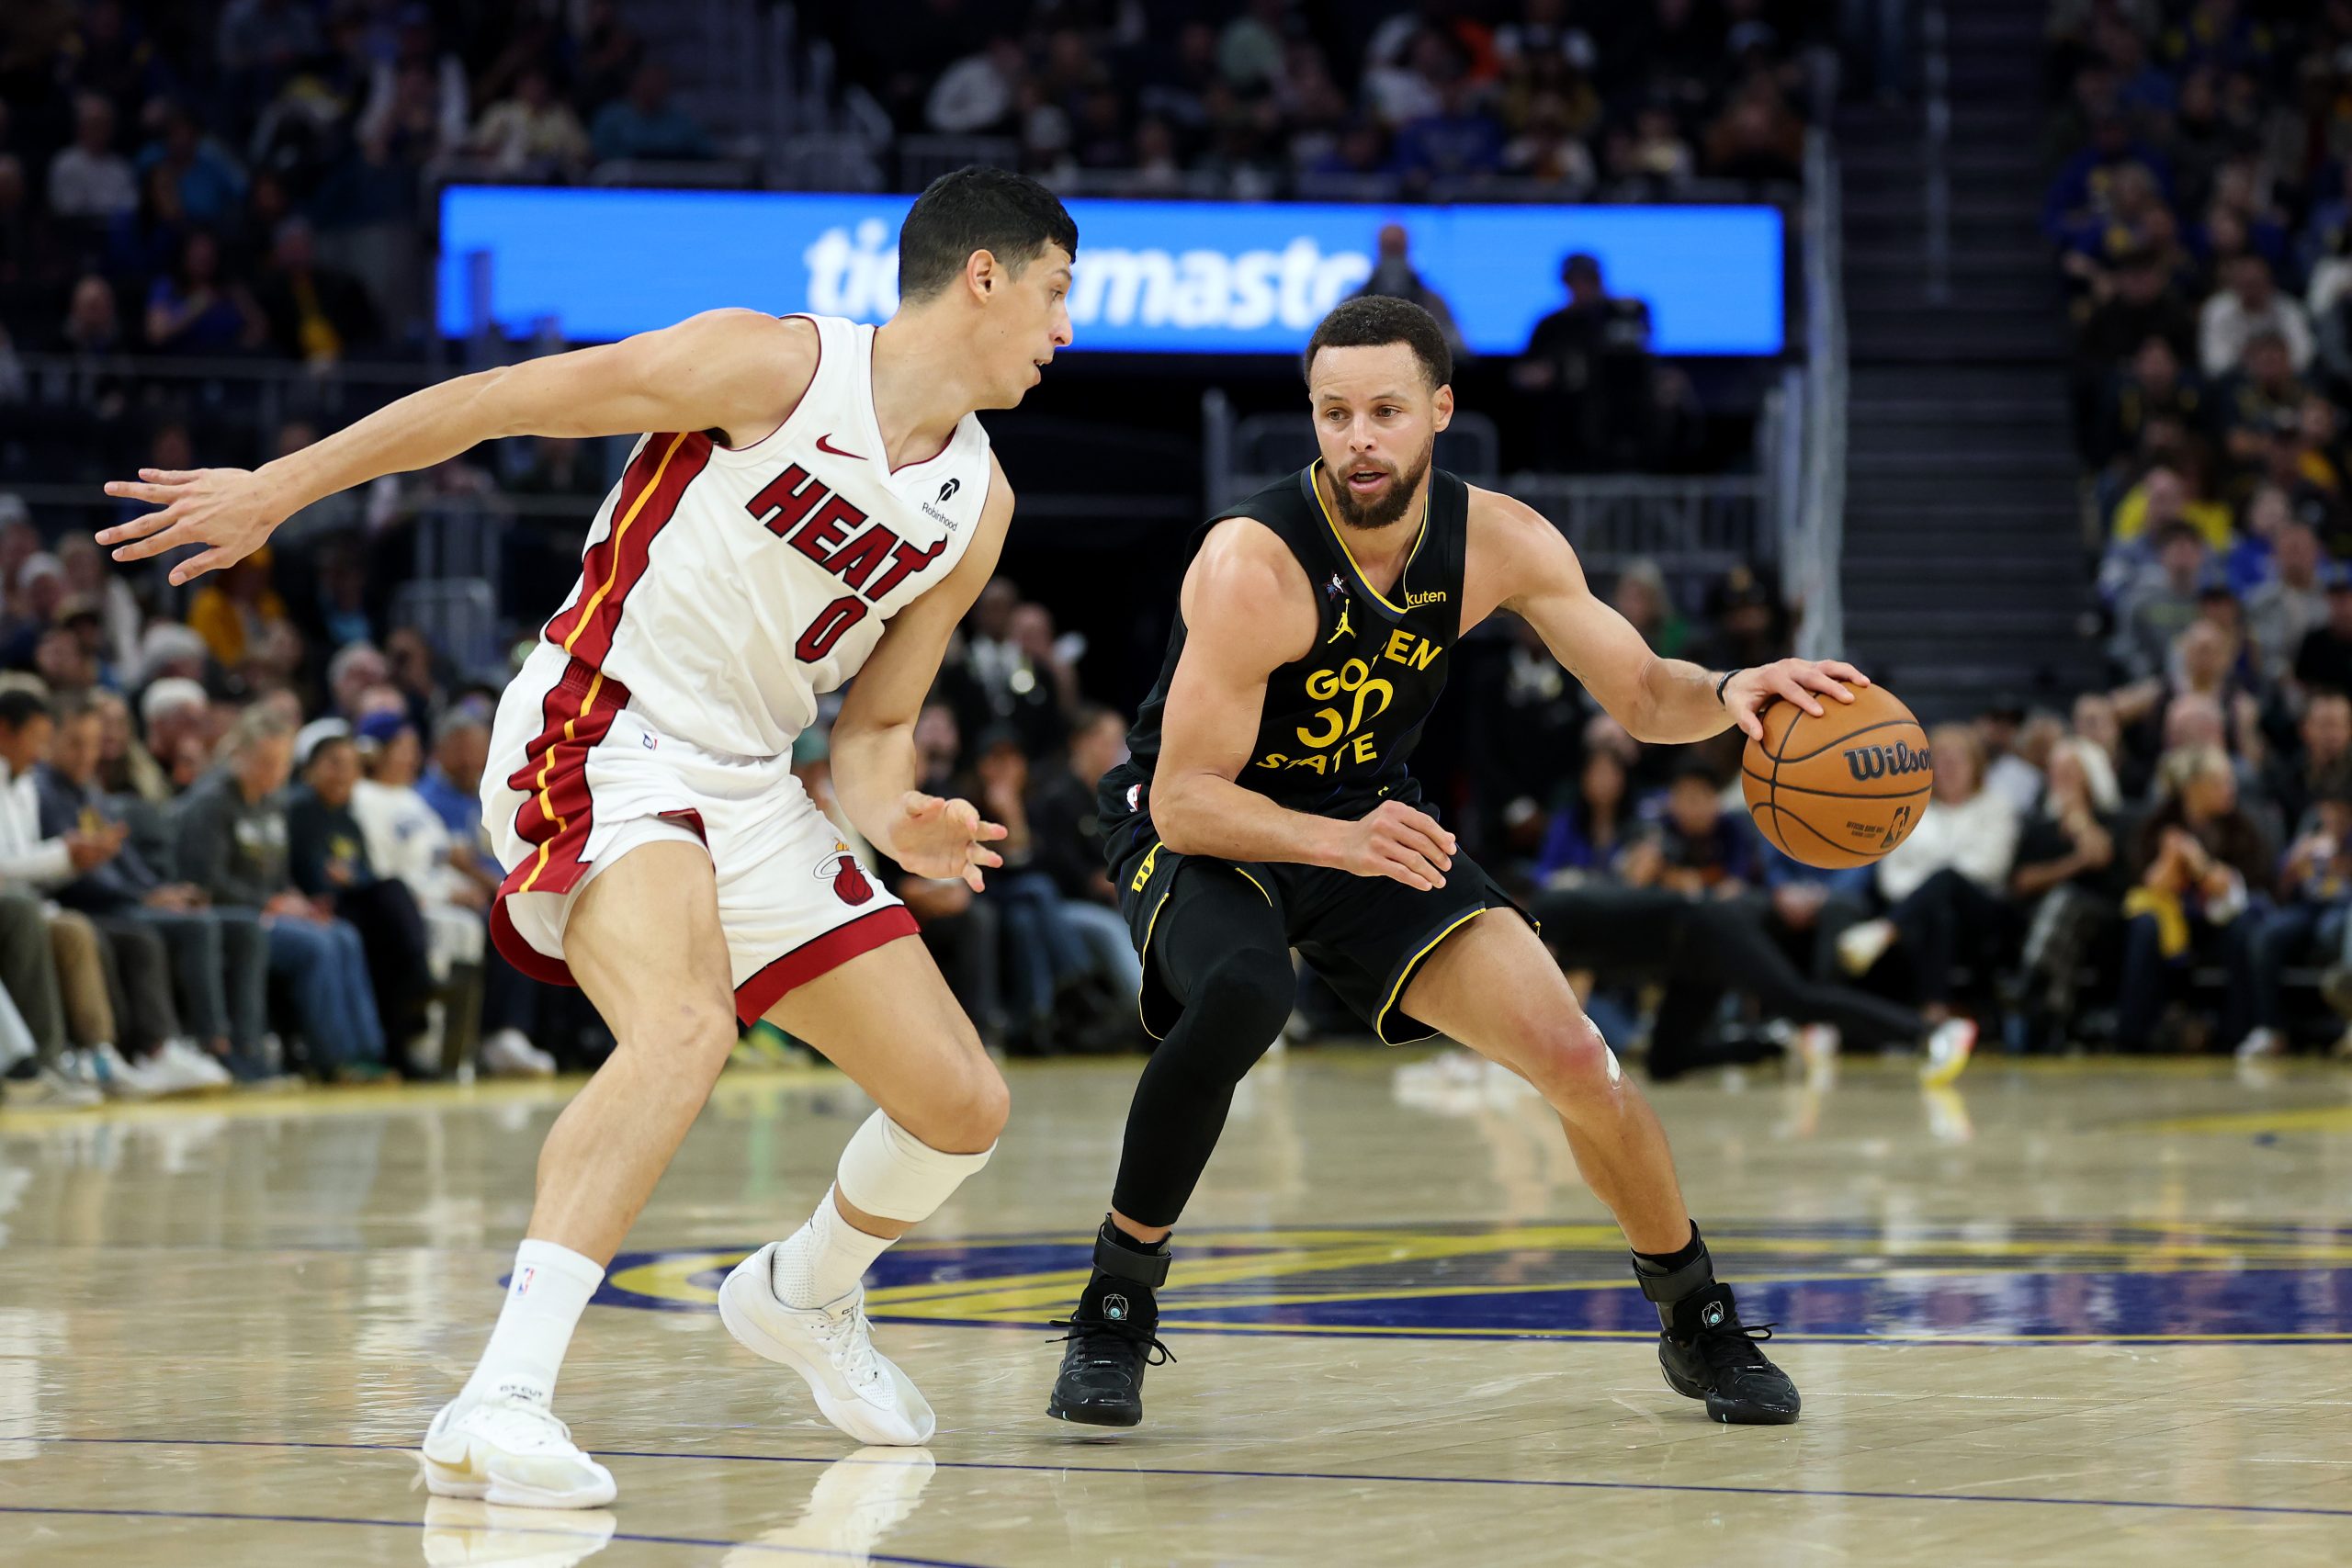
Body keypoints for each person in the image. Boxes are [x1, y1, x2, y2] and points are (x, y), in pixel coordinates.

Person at [101, 166, 1076, 1505]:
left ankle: (802, 1290)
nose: (1064, 327)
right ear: (984, 273)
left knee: (963, 1104)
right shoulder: (774, 365)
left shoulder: (978, 503)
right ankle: (496, 1398)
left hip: (751, 782)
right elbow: (503, 400)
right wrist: (282, 486)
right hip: (601, 727)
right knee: (682, 1025)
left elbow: (875, 728)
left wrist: (899, 811)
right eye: (1056, 291)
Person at [1047, 297, 1861, 1433]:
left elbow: (1639, 692)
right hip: (1204, 822)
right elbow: (1185, 799)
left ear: (1439, 409)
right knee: (1245, 989)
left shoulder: (1498, 540)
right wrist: (1337, 841)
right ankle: (1114, 1307)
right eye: (1334, 412)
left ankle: (1697, 1319)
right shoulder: (1251, 563)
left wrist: (1730, 690)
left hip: (1363, 813)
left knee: (1575, 1056)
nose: (1357, 438)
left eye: (1384, 411)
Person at [38, 694, 252, 1088]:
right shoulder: (43, 791)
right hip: (85, 903)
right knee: (180, 930)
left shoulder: (88, 790)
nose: (87, 754)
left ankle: (241, 1046)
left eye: (92, 743)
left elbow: (125, 858)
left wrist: (162, 890)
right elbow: (75, 874)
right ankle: (200, 1044)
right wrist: (142, 898)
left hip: (119, 898)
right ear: (50, 741)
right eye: (75, 743)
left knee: (223, 922)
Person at [175, 709, 389, 1080]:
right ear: (239, 756)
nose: (273, 772)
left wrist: (298, 901)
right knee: (316, 947)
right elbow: (206, 882)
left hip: (270, 911)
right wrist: (271, 904)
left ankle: (367, 1050)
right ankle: (334, 1056)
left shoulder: (271, 803)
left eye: (281, 763)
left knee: (343, 935)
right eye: (264, 762)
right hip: (235, 916)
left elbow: (278, 874)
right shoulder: (212, 804)